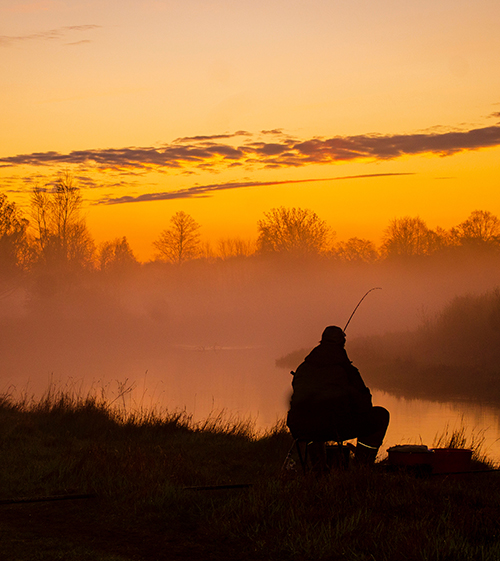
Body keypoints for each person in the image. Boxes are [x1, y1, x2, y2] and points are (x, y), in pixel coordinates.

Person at [286, 325, 389, 467]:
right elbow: (364, 404)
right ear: (342, 343)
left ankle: (318, 467)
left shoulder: (303, 368)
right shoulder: (347, 370)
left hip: (299, 427)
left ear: (321, 342)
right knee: (381, 415)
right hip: (335, 426)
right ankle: (362, 466)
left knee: (312, 420)